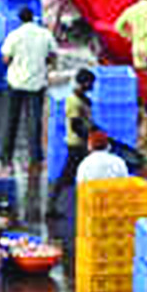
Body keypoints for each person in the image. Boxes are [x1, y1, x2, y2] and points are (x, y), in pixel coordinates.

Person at [0, 7, 55, 171]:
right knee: (34, 121)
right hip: (36, 84)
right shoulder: (45, 34)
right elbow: (53, 55)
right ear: (33, 18)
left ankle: (5, 155)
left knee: (11, 119)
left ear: (19, 19)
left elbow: (5, 58)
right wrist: (43, 63)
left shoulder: (14, 35)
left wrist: (16, 64)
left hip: (15, 83)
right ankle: (35, 155)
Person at [46, 70, 97, 216]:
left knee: (70, 175)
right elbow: (76, 126)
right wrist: (90, 136)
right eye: (90, 83)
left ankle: (55, 204)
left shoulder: (82, 99)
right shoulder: (73, 101)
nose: (92, 86)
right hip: (76, 144)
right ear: (84, 83)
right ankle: (51, 206)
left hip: (82, 143)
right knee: (66, 176)